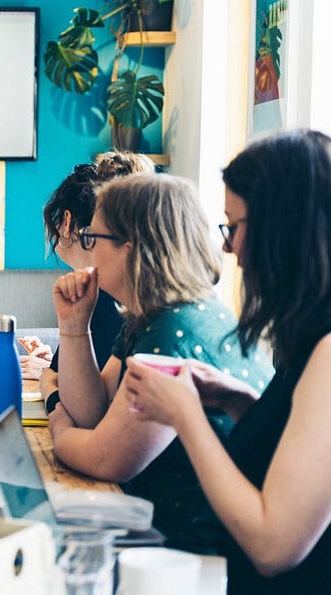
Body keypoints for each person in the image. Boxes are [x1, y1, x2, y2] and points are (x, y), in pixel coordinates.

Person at [126, 130, 331, 591]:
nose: (227, 247)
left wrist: (186, 415)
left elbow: (273, 545)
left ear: (282, 231)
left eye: (233, 226)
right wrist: (237, 400)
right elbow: (300, 452)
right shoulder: (309, 333)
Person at [47, 174, 272, 553]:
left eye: (93, 238)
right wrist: (73, 327)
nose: (88, 250)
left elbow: (106, 460)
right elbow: (92, 410)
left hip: (189, 554)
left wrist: (57, 422)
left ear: (131, 249)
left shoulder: (173, 335)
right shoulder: (157, 315)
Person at [25, 152, 155, 381]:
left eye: (94, 233)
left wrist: (51, 380)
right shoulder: (113, 291)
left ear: (66, 220)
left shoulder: (107, 294)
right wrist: (53, 369)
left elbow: (87, 405)